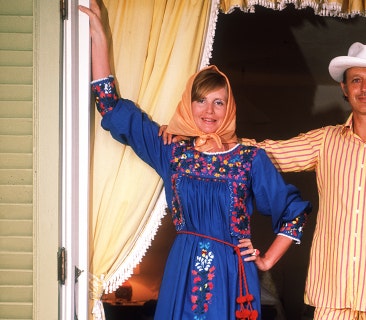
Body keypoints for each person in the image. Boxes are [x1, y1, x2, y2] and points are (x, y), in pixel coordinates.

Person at [163, 40, 366, 319]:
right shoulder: (325, 140)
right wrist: (201, 139)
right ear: (344, 88)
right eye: (356, 80)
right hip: (331, 290)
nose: (365, 88)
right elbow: (268, 152)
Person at [79, 1, 312, 320]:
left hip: (233, 273)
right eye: (201, 100)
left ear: (229, 109)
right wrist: (99, 38)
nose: (209, 111)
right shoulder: (173, 151)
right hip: (184, 267)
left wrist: (267, 260)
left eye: (219, 102)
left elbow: (294, 212)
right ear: (189, 104)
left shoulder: (249, 159)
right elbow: (111, 107)